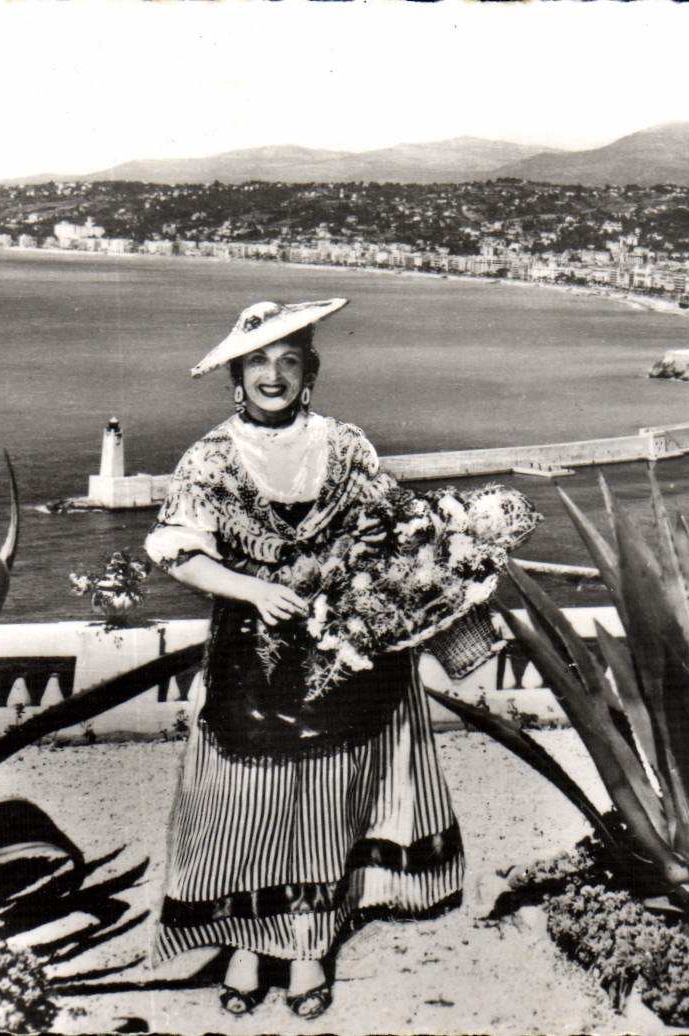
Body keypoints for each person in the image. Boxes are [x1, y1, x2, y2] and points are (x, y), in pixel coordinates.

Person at [145, 298, 538, 1020]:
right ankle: (243, 939)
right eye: (259, 362)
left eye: (289, 361)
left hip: (349, 659)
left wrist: (444, 574)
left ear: (309, 372)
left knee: (327, 803)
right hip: (251, 659)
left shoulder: (347, 445)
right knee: (243, 802)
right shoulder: (209, 457)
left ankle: (305, 945)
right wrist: (252, 589)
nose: (274, 375)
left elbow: (398, 533)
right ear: (237, 374)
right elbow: (179, 551)